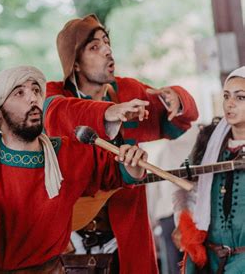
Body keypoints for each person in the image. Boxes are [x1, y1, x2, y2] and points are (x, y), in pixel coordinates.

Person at [0, 65, 149, 272]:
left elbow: (120, 173)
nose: (33, 99)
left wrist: (133, 163)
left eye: (36, 90)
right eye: (20, 93)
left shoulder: (68, 153)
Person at [45, 14, 199, 273]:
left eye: (107, 42)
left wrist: (178, 99)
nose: (107, 50)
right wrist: (107, 112)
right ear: (76, 64)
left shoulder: (127, 92)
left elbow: (177, 125)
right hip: (69, 238)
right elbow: (55, 115)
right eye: (94, 47)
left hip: (124, 234)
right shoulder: (55, 94)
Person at [173, 67, 245, 274]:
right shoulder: (209, 142)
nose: (230, 104)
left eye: (240, 98)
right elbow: (185, 187)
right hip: (212, 261)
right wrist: (183, 223)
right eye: (226, 96)